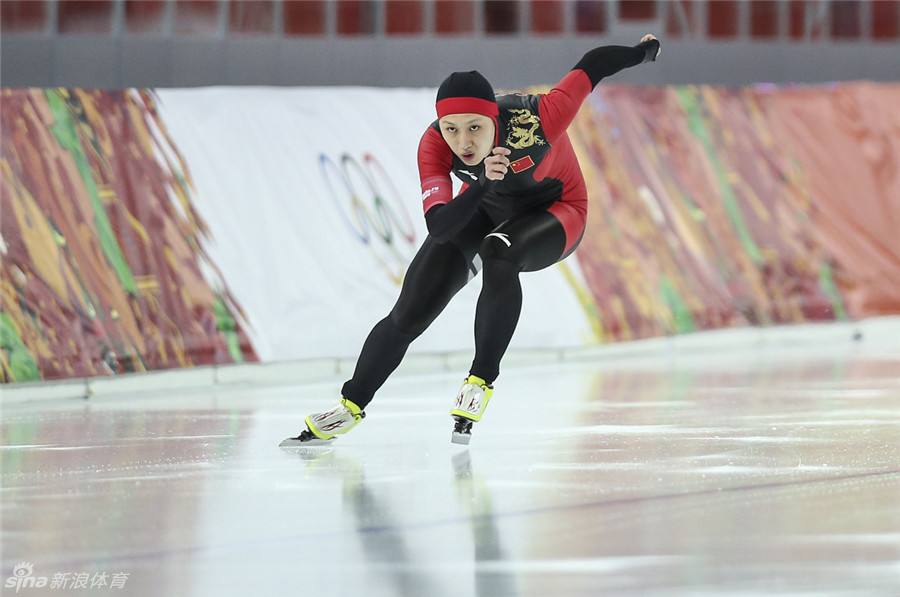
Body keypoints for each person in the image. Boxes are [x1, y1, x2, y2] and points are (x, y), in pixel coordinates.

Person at [281, 34, 661, 447]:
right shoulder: (434, 145)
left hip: (558, 209)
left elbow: (593, 64)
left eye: (475, 128)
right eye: (452, 129)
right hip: (484, 205)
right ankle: (350, 406)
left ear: (495, 120)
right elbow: (440, 227)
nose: (463, 142)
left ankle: (480, 379)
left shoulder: (540, 118)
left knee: (498, 250)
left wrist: (642, 53)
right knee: (409, 312)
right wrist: (482, 183)